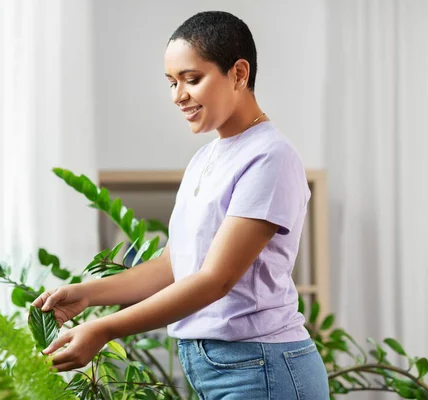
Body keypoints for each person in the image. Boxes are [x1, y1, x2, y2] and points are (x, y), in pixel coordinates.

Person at [33, 10, 330, 399]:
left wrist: (104, 329)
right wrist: (89, 294)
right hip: (227, 368)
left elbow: (215, 280)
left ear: (239, 73)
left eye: (192, 79)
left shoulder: (271, 157)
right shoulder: (205, 159)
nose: (178, 96)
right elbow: (174, 266)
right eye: (172, 83)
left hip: (263, 368)